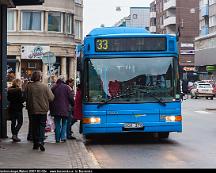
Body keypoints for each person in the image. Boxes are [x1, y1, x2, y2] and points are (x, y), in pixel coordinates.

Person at [25, 71, 54, 151]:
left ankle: (35, 143)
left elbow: (25, 97)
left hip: (32, 109)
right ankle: (41, 140)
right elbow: (51, 98)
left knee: (34, 126)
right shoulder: (44, 86)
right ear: (40, 77)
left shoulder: (28, 86)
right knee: (42, 126)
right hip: (43, 110)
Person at [50, 76, 73, 143]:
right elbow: (71, 98)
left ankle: (57, 139)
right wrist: (72, 104)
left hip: (55, 109)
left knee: (57, 124)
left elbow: (50, 99)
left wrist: (51, 109)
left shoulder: (53, 87)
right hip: (65, 108)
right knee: (64, 123)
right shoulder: (67, 87)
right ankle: (63, 137)